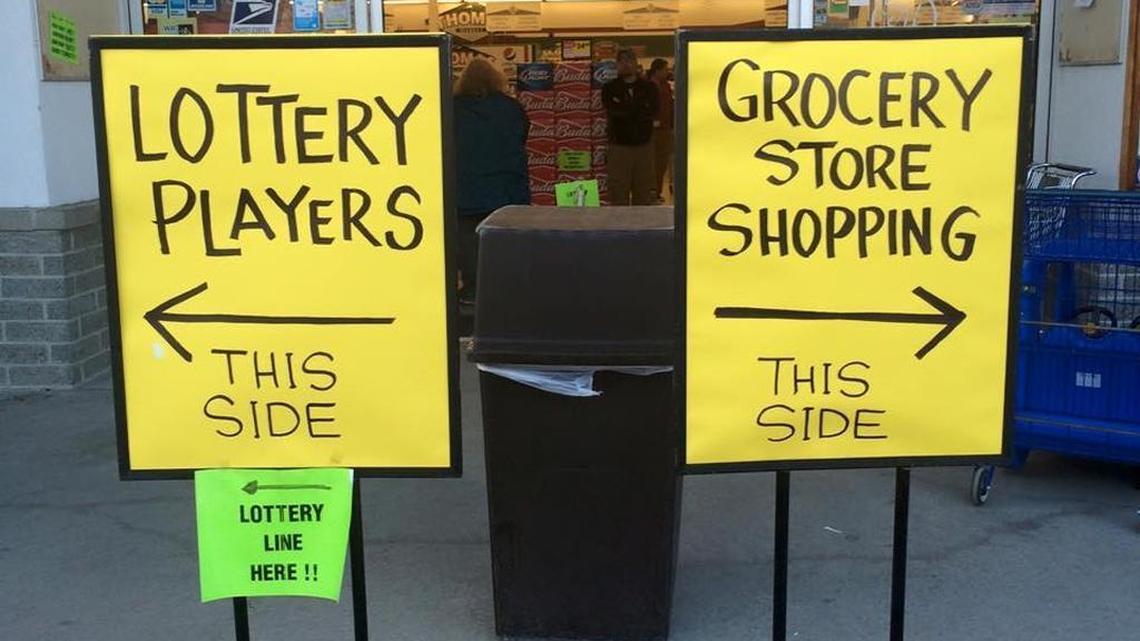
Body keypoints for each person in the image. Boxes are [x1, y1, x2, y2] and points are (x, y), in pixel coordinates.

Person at [454, 58, 530, 306]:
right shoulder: (512, 109)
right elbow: (521, 138)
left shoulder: (451, 109)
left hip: (464, 191)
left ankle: (472, 292)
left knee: (468, 246)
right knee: (504, 245)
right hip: (504, 191)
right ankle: (505, 292)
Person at [602, 49, 659, 206]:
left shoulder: (649, 88)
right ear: (617, 65)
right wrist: (637, 109)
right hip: (619, 146)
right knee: (618, 192)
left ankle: (642, 222)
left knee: (644, 192)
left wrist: (626, 108)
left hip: (643, 146)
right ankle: (619, 223)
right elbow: (614, 112)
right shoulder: (609, 88)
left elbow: (652, 111)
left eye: (629, 60)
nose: (626, 64)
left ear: (636, 63)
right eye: (622, 61)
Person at [648, 58, 675, 204]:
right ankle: (652, 193)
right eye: (665, 69)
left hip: (665, 128)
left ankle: (656, 192)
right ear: (657, 70)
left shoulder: (665, 86)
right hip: (655, 130)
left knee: (661, 164)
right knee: (654, 164)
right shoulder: (651, 86)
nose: (667, 72)